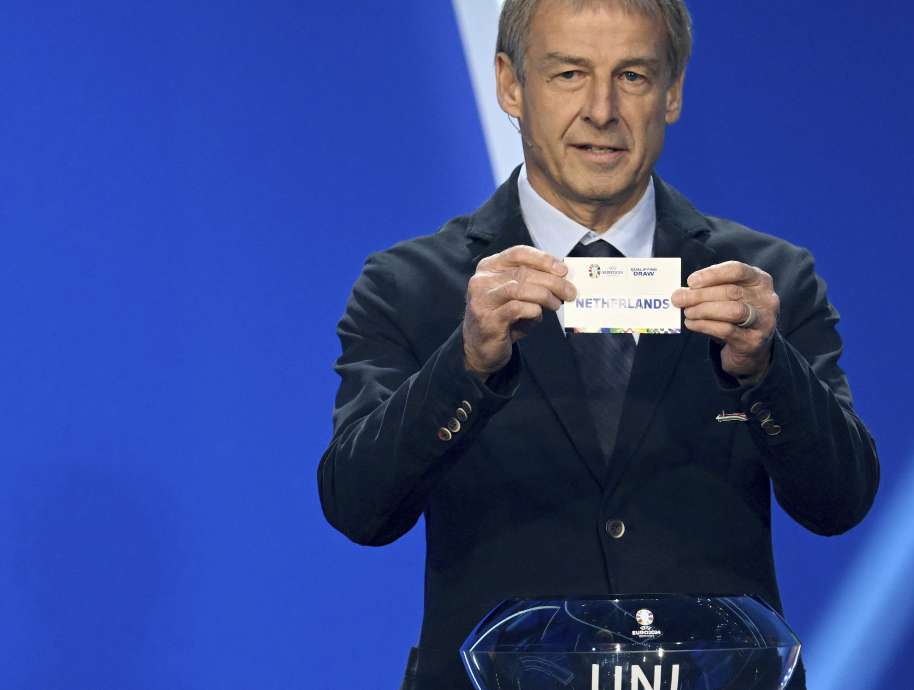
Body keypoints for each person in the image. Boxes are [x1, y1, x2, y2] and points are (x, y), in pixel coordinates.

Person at [317, 1, 879, 687]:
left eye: (634, 75)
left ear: (672, 92)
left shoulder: (766, 283)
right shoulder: (411, 285)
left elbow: (840, 503)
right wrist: (464, 366)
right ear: (510, 85)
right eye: (569, 74)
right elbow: (358, 508)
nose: (602, 109)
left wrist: (767, 370)